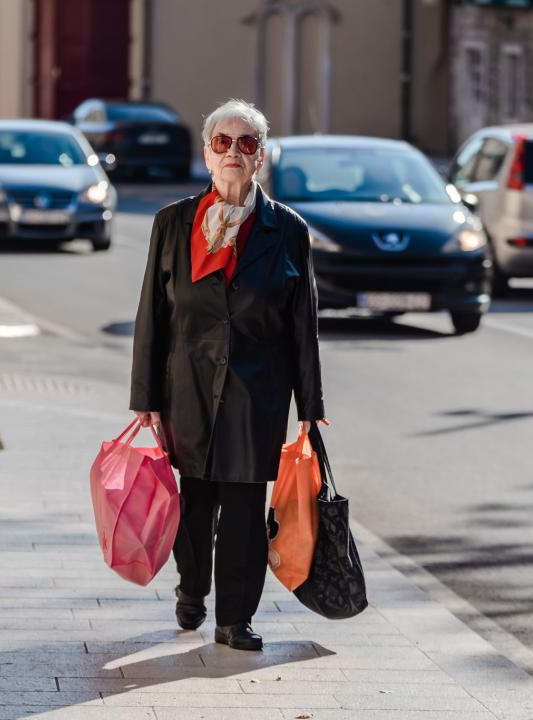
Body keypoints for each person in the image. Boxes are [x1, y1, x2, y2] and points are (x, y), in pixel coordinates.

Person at [130, 99, 325, 651]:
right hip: (185, 387)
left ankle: (233, 617)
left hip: (256, 391)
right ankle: (191, 589)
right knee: (192, 506)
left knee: (242, 512)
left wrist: (310, 407)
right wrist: (144, 393)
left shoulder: (288, 231)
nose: (234, 152)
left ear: (259, 158)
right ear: (207, 153)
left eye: (246, 144)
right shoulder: (173, 223)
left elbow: (302, 324)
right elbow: (153, 313)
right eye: (223, 142)